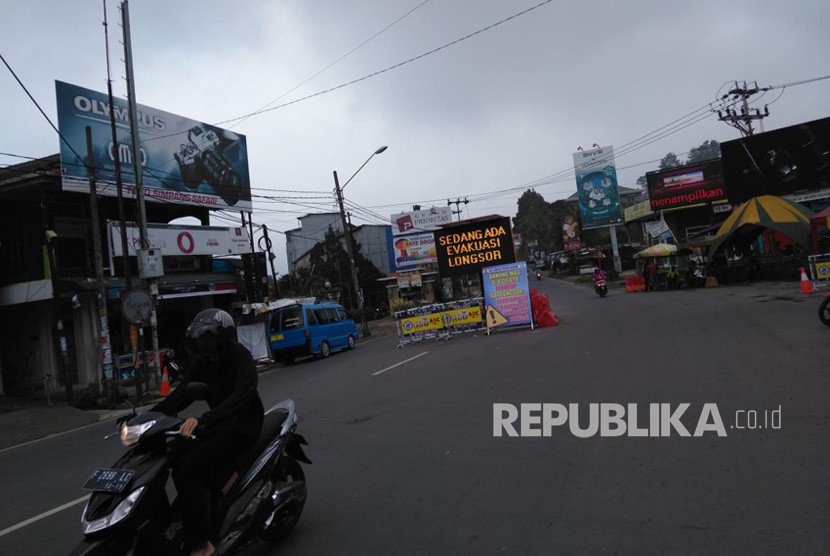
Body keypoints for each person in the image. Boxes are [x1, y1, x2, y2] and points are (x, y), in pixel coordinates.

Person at [153, 308, 265, 556]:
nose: (204, 342)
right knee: (172, 455)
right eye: (200, 338)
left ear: (223, 335)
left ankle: (202, 543)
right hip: (216, 425)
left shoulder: (239, 356)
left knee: (186, 467)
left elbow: (241, 396)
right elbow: (180, 395)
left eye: (208, 336)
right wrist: (146, 418)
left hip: (242, 427)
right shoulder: (200, 363)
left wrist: (203, 419)